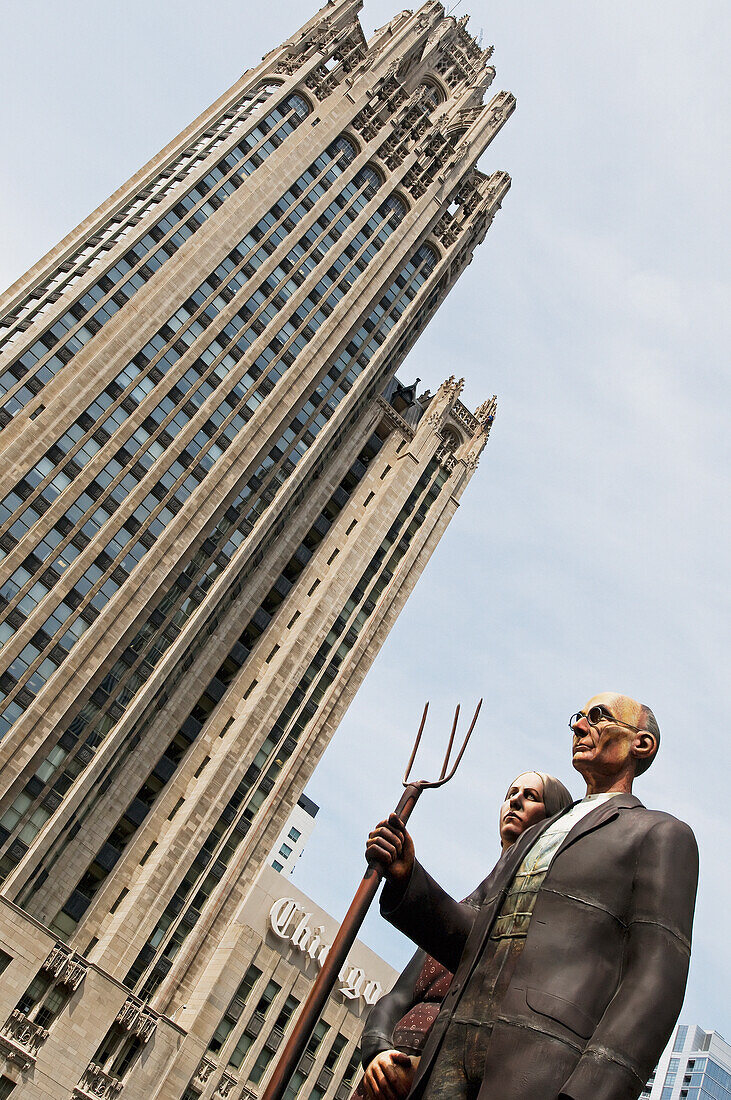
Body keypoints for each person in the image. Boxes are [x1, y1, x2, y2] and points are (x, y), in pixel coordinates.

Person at [366, 693, 699, 1100]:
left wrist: (591, 1092)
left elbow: (656, 980)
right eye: (578, 717)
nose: (579, 727)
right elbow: (476, 941)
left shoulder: (660, 835)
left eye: (598, 717)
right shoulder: (534, 837)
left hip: (542, 1062)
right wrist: (407, 877)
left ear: (641, 744)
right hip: (449, 1050)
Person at [357, 772, 572, 1100]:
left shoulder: (541, 927)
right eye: (511, 792)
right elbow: (397, 998)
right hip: (382, 1082)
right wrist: (378, 1050)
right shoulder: (458, 911)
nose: (514, 800)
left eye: (531, 796)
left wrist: (429, 1068)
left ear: (553, 820)